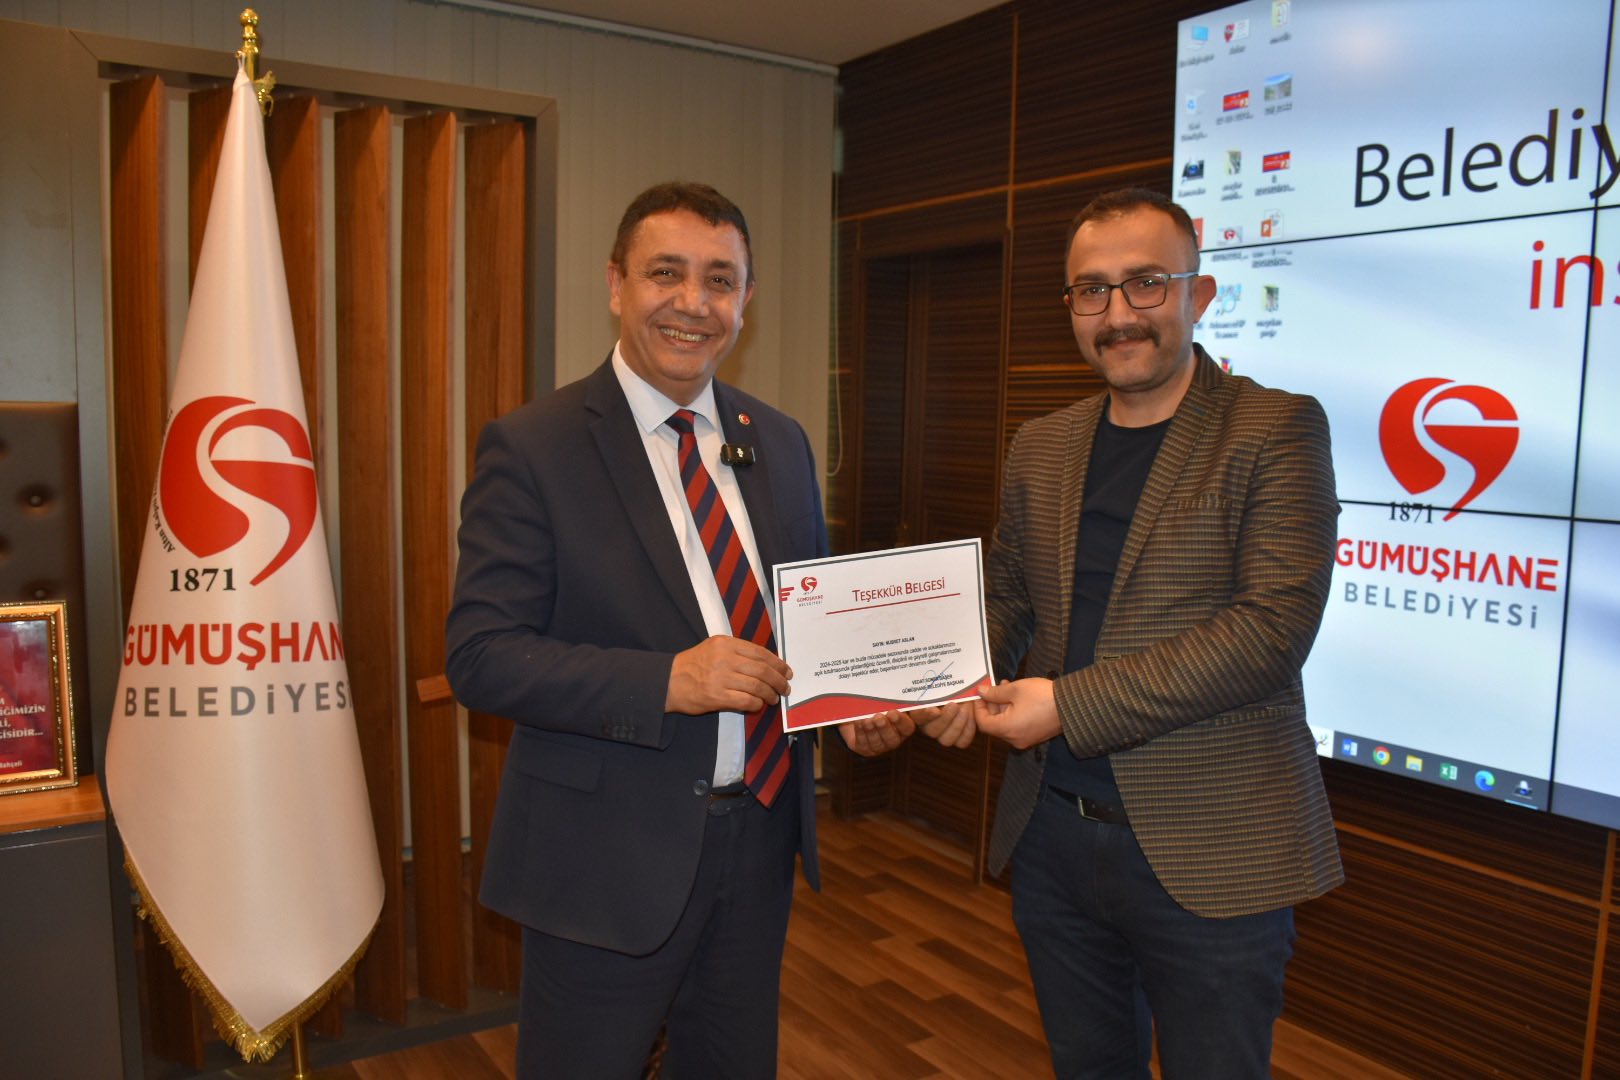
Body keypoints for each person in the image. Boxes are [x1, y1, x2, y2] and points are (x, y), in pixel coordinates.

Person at [447, 181, 867, 1078]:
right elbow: (482, 657)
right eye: (665, 273)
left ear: (746, 300)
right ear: (616, 283)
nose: (692, 302)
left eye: (720, 280)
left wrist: (856, 704)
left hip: (758, 845)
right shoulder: (534, 446)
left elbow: (808, 628)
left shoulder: (780, 441)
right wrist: (667, 681)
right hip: (606, 857)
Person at [951, 187, 1345, 1078]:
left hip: (1213, 843)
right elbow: (1010, 595)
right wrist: (943, 681)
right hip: (1053, 837)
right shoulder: (1041, 443)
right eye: (1092, 291)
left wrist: (1066, 706)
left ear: (1198, 295)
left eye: (1146, 284)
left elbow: (1270, 632)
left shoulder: (1276, 428)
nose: (1119, 314)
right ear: (1071, 306)